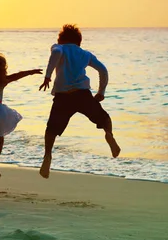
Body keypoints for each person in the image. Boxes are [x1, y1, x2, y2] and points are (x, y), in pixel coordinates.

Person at [39, 24, 121, 179]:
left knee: (51, 130)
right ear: (79, 42)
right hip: (83, 94)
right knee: (104, 118)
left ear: (61, 39)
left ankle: (47, 156)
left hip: (63, 97)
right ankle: (109, 134)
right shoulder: (85, 54)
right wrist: (101, 92)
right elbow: (103, 70)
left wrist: (48, 75)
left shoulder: (59, 48)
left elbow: (56, 52)